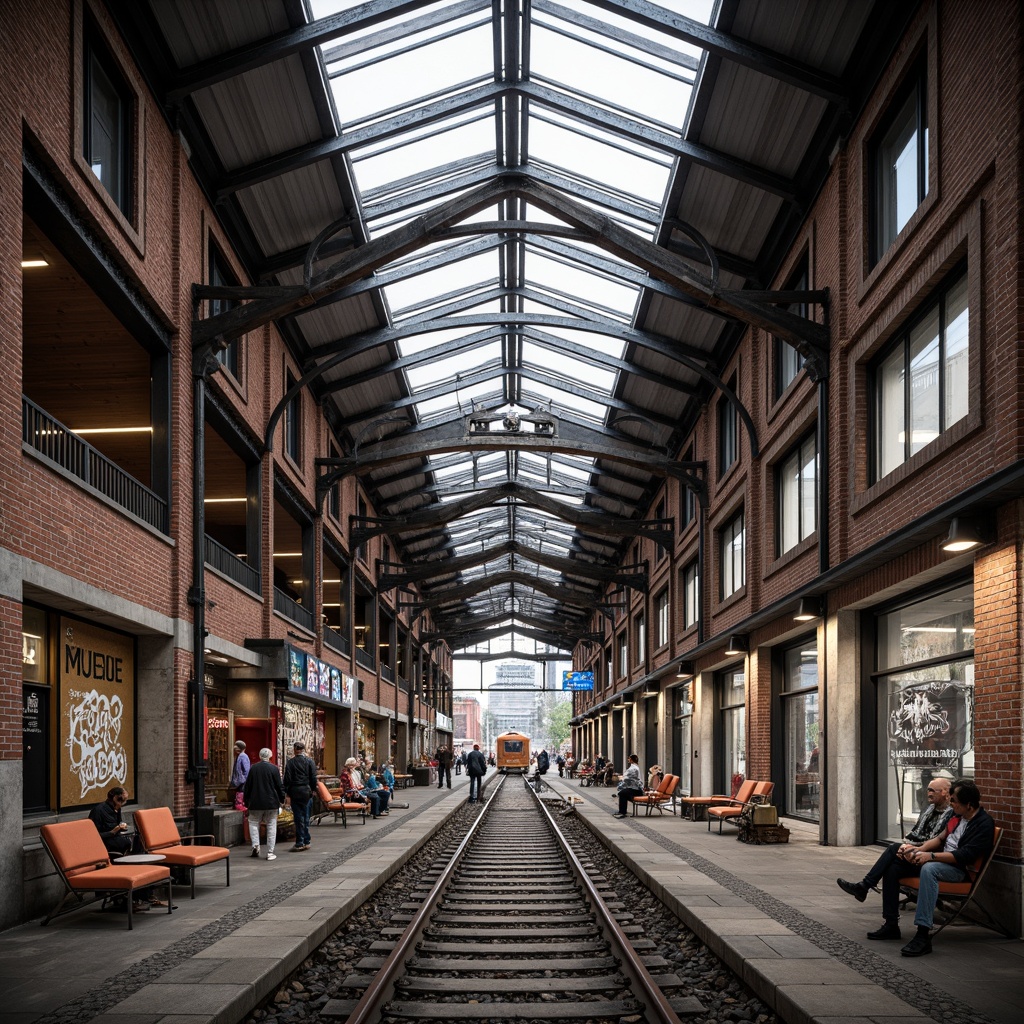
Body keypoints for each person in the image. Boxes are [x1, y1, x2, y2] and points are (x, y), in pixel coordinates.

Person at [839, 779, 995, 957]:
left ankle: (922, 934)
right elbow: (940, 839)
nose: (951, 804)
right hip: (939, 860)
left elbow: (963, 856)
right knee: (894, 861)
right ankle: (889, 923)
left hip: (958, 870)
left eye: (954, 801)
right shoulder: (957, 816)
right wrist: (918, 850)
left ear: (969, 805)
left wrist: (930, 857)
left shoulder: (983, 824)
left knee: (929, 869)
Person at [837, 777, 955, 905]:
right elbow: (915, 832)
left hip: (931, 858)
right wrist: (907, 846)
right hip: (917, 852)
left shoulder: (951, 814)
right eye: (928, 790)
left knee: (893, 848)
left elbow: (937, 841)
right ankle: (890, 921)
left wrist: (909, 848)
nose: (929, 793)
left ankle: (864, 886)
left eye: (932, 790)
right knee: (891, 867)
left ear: (945, 792)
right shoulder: (929, 810)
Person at [88, 787, 154, 912]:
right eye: (121, 800)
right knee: (138, 862)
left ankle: (143, 896)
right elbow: (93, 836)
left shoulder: (116, 809)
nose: (122, 804)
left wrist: (121, 828)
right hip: (109, 848)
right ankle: (134, 898)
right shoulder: (98, 811)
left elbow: (118, 826)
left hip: (121, 845)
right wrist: (113, 832)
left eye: (124, 801)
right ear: (114, 798)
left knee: (141, 844)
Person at [243, 747, 286, 861]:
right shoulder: (274, 769)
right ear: (270, 756)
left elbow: (248, 786)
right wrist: (282, 799)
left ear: (260, 756)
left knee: (253, 823)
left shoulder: (253, 768)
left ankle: (256, 845)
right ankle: (270, 851)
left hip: (255, 802)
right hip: (271, 802)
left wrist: (246, 801)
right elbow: (279, 786)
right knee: (271, 825)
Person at [283, 741, 318, 851]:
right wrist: (313, 790)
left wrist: (287, 793)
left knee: (298, 817)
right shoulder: (309, 762)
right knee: (306, 816)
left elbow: (287, 779)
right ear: (304, 749)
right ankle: (306, 840)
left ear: (294, 750)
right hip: (306, 791)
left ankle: (299, 842)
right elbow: (313, 778)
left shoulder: (290, 762)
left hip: (295, 791)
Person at [613, 753, 643, 817]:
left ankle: (622, 811)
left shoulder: (634, 768)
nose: (628, 759)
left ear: (632, 760)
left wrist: (622, 779)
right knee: (623, 793)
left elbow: (628, 778)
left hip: (636, 789)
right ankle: (622, 811)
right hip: (635, 788)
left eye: (629, 758)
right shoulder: (635, 767)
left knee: (622, 793)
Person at [229, 740, 250, 805]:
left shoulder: (243, 756)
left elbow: (246, 770)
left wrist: (242, 780)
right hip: (240, 782)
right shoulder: (240, 756)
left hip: (241, 782)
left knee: (240, 795)